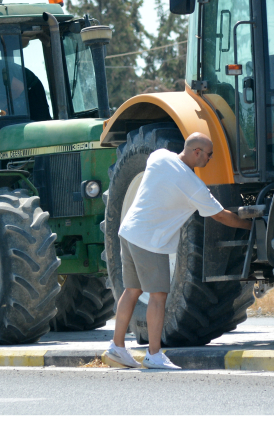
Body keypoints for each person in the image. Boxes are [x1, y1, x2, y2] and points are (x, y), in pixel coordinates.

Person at [104, 132, 252, 370]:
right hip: (149, 241)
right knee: (159, 296)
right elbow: (221, 216)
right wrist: (251, 224)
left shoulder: (159, 156)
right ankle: (153, 354)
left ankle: (116, 347)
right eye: (209, 154)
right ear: (197, 152)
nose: (210, 159)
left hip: (129, 231)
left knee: (132, 291)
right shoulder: (192, 184)